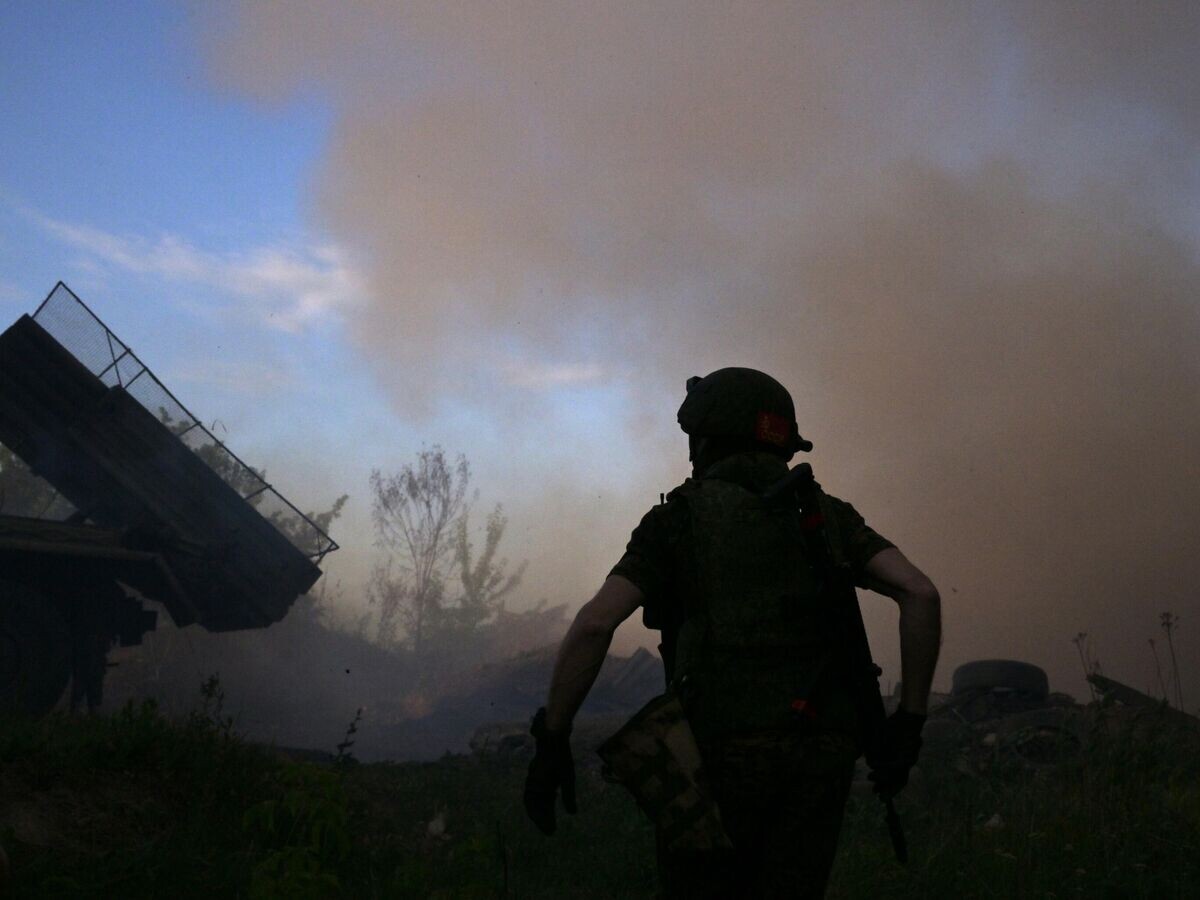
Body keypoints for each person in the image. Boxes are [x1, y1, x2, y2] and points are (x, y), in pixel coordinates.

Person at [524, 367, 941, 898]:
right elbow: (920, 594)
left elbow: (595, 624)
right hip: (819, 753)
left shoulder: (677, 519)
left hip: (714, 753)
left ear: (704, 440)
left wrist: (553, 739)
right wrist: (910, 721)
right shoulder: (829, 516)